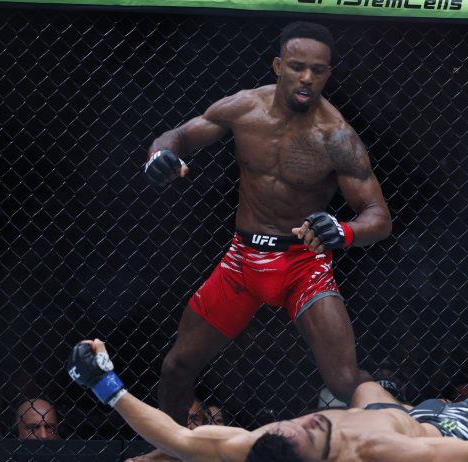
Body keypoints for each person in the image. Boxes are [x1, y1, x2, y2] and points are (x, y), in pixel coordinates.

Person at [139, 20, 391, 459]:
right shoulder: (243, 108)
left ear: (328, 73)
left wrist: (345, 231)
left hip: (303, 264)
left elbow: (379, 217)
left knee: (345, 381)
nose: (307, 78)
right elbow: (178, 135)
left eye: (318, 70)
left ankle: (397, 437)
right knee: (177, 366)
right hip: (243, 262)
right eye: (297, 67)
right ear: (278, 66)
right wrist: (161, 155)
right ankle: (171, 453)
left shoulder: (337, 136)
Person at [67, 324, 468, 462]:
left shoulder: (255, 447)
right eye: (302, 436)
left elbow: (173, 436)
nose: (297, 424)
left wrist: (105, 383)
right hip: (455, 437)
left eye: (286, 427)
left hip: (410, 412)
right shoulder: (379, 456)